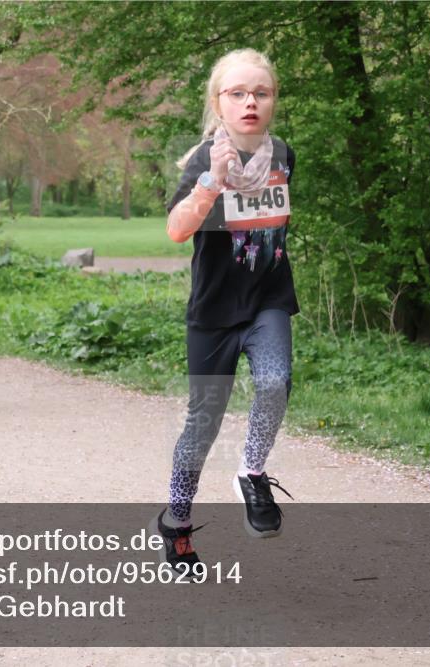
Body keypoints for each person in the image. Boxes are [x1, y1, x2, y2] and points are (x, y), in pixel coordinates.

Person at [155, 49, 298, 569]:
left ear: (273, 101)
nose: (250, 102)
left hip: (267, 300)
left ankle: (252, 473)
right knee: (203, 424)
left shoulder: (283, 154)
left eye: (260, 93)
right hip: (214, 311)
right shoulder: (201, 159)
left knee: (276, 381)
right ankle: (177, 522)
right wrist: (211, 181)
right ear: (219, 103)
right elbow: (175, 231)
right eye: (237, 93)